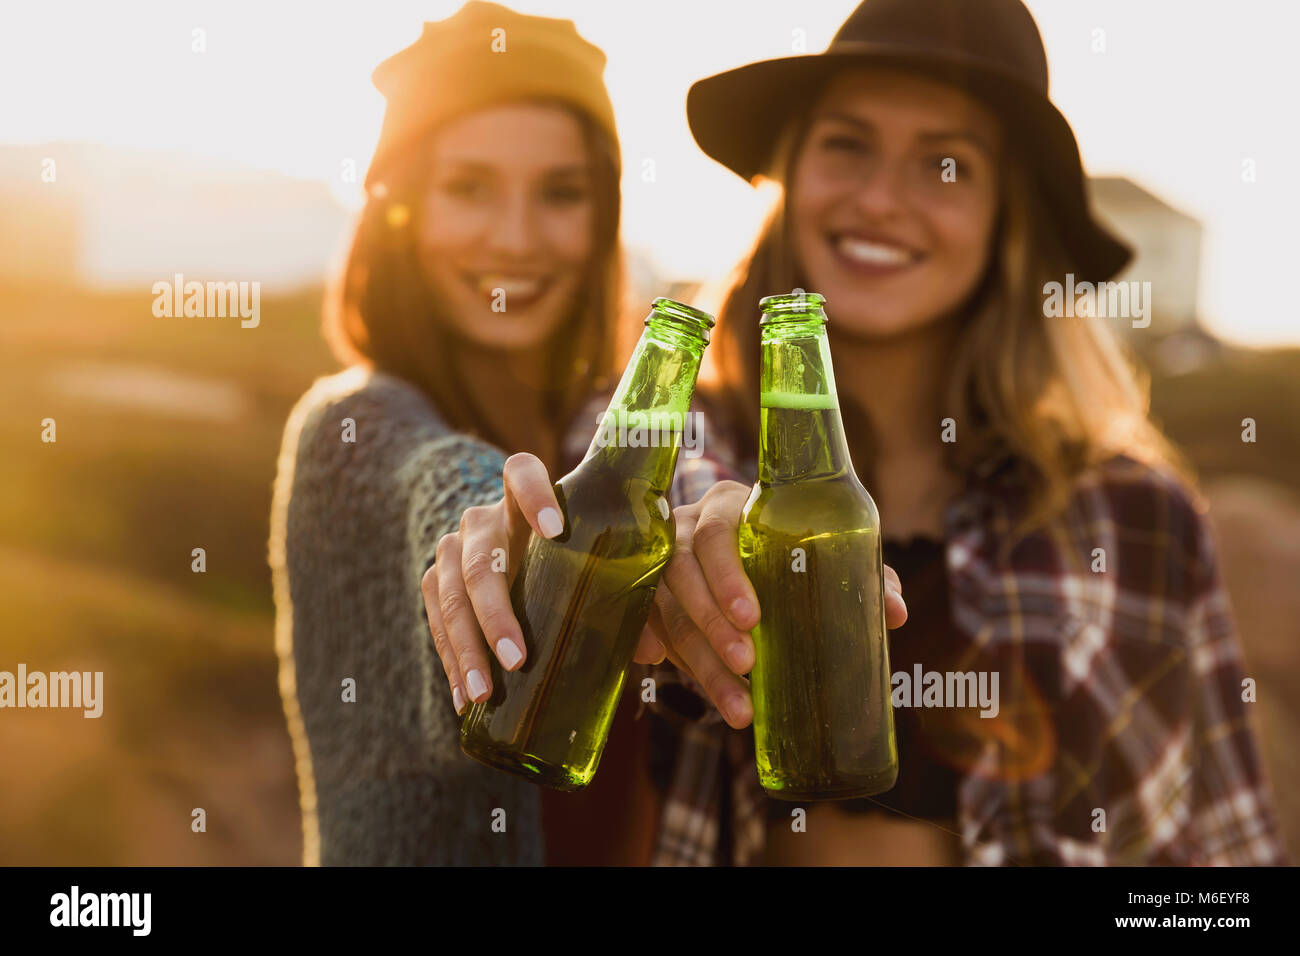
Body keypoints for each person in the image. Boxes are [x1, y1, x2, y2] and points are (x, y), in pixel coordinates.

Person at [426, 0, 1289, 866]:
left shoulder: (1138, 519)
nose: (880, 199)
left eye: (945, 164)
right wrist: (508, 569)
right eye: (847, 143)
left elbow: (1222, 865)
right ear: (791, 171)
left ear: (1005, 218)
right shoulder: (649, 450)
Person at [268, 1, 658, 865]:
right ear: (398, 208)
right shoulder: (353, 431)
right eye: (467, 188)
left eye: (562, 193)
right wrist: (497, 527)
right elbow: (439, 489)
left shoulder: (627, 439)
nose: (515, 239)